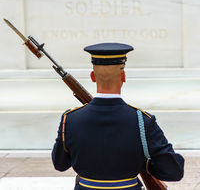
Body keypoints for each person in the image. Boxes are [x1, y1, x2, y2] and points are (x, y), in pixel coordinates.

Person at [52, 43, 184, 190]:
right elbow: (173, 171)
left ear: (92, 77)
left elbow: (60, 164)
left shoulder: (70, 119)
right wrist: (143, 163)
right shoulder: (142, 120)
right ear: (123, 76)